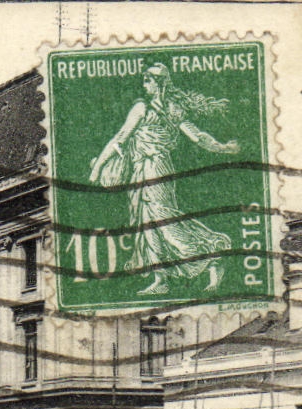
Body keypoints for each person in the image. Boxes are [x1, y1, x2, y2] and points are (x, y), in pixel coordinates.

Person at [88, 63, 239, 296]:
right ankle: (162, 278)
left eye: (148, 80)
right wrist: (98, 168)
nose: (144, 84)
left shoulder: (162, 108)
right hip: (141, 169)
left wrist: (224, 148)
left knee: (162, 217)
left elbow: (197, 136)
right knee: (145, 223)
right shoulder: (149, 107)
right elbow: (121, 138)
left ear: (159, 83)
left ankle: (210, 253)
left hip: (157, 166)